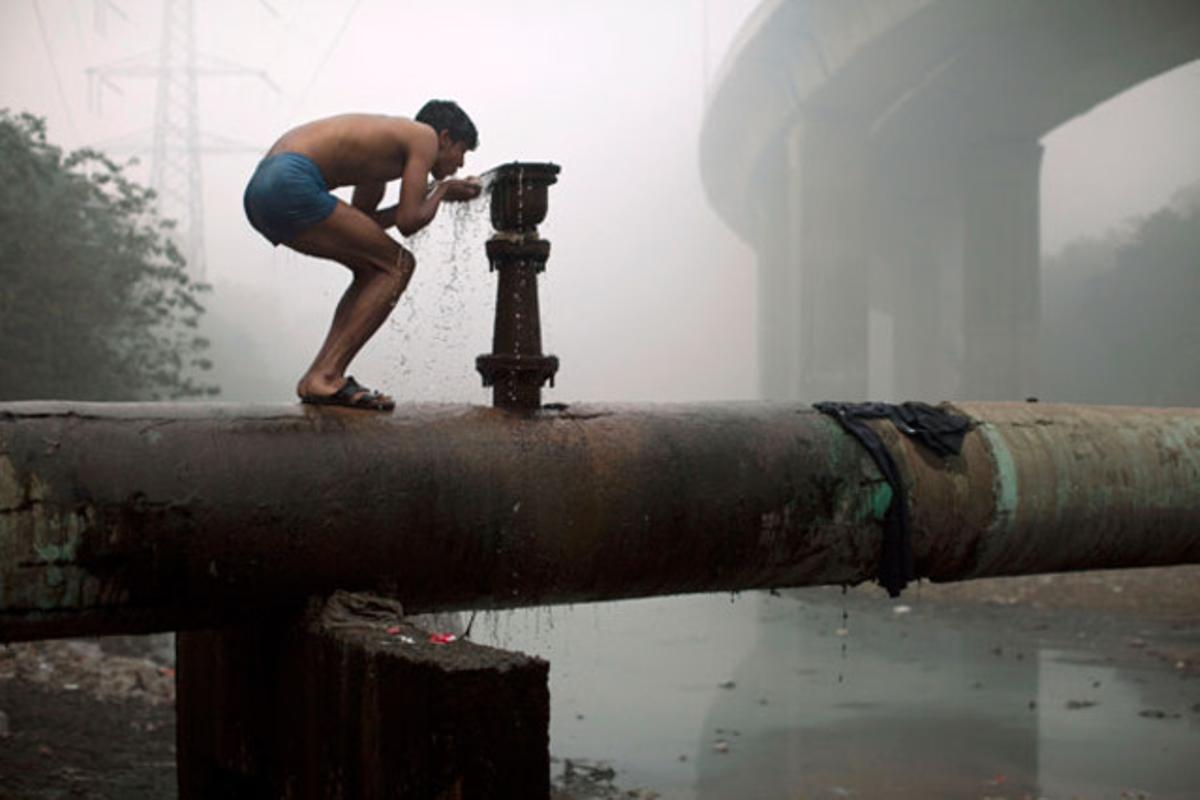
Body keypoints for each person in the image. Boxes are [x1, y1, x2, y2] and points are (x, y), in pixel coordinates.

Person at [243, 100, 483, 411]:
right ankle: (326, 375)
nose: (461, 164)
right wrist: (442, 191)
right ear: (446, 138)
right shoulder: (424, 135)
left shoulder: (382, 152)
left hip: (262, 192)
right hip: (291, 179)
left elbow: (365, 223)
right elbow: (410, 223)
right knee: (399, 264)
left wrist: (432, 195)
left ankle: (319, 378)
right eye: (463, 151)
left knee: (373, 266)